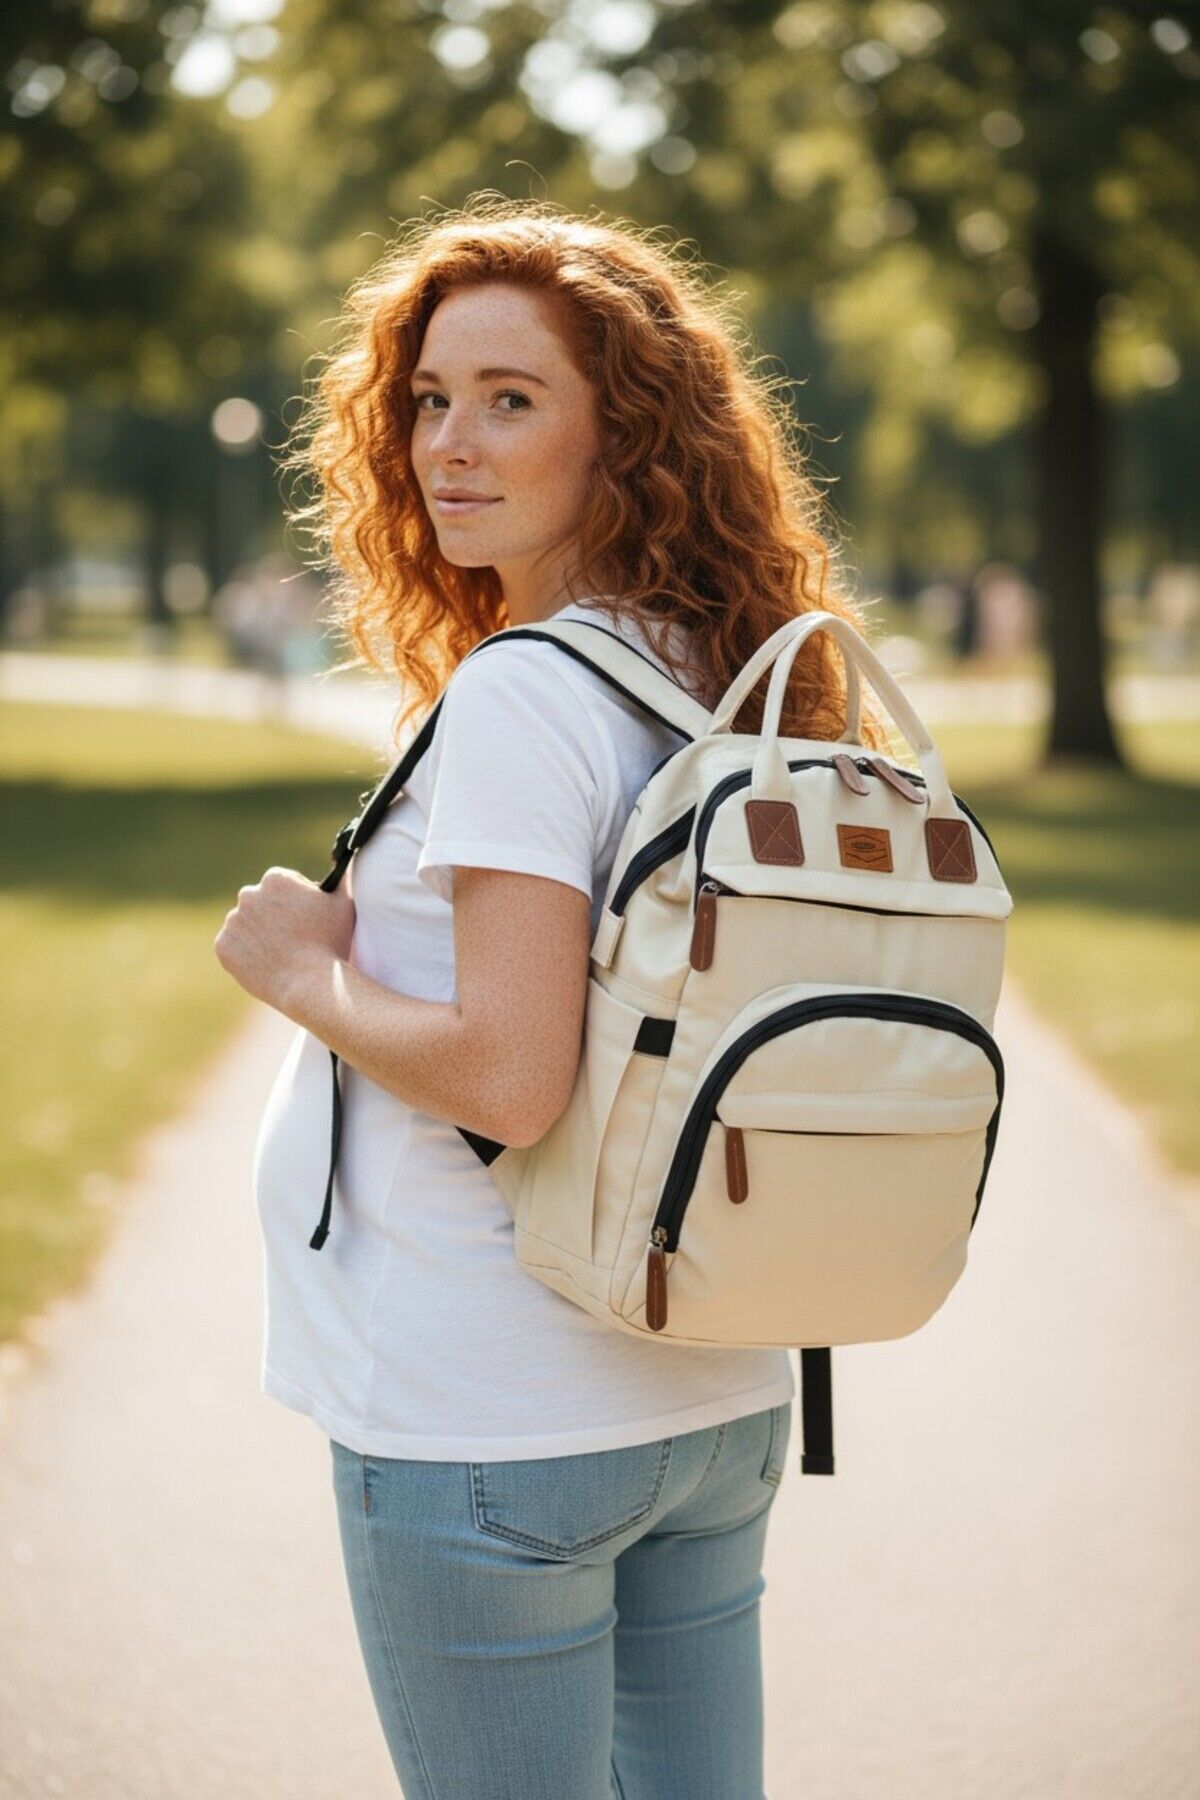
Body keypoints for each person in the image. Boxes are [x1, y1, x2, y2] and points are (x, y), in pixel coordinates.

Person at [214, 197, 891, 1800]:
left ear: (628, 435)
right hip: (711, 1396)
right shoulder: (720, 673)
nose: (450, 444)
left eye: (512, 400)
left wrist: (303, 974)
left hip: (492, 1420)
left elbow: (512, 1081)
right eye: (432, 399)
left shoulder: (529, 691)